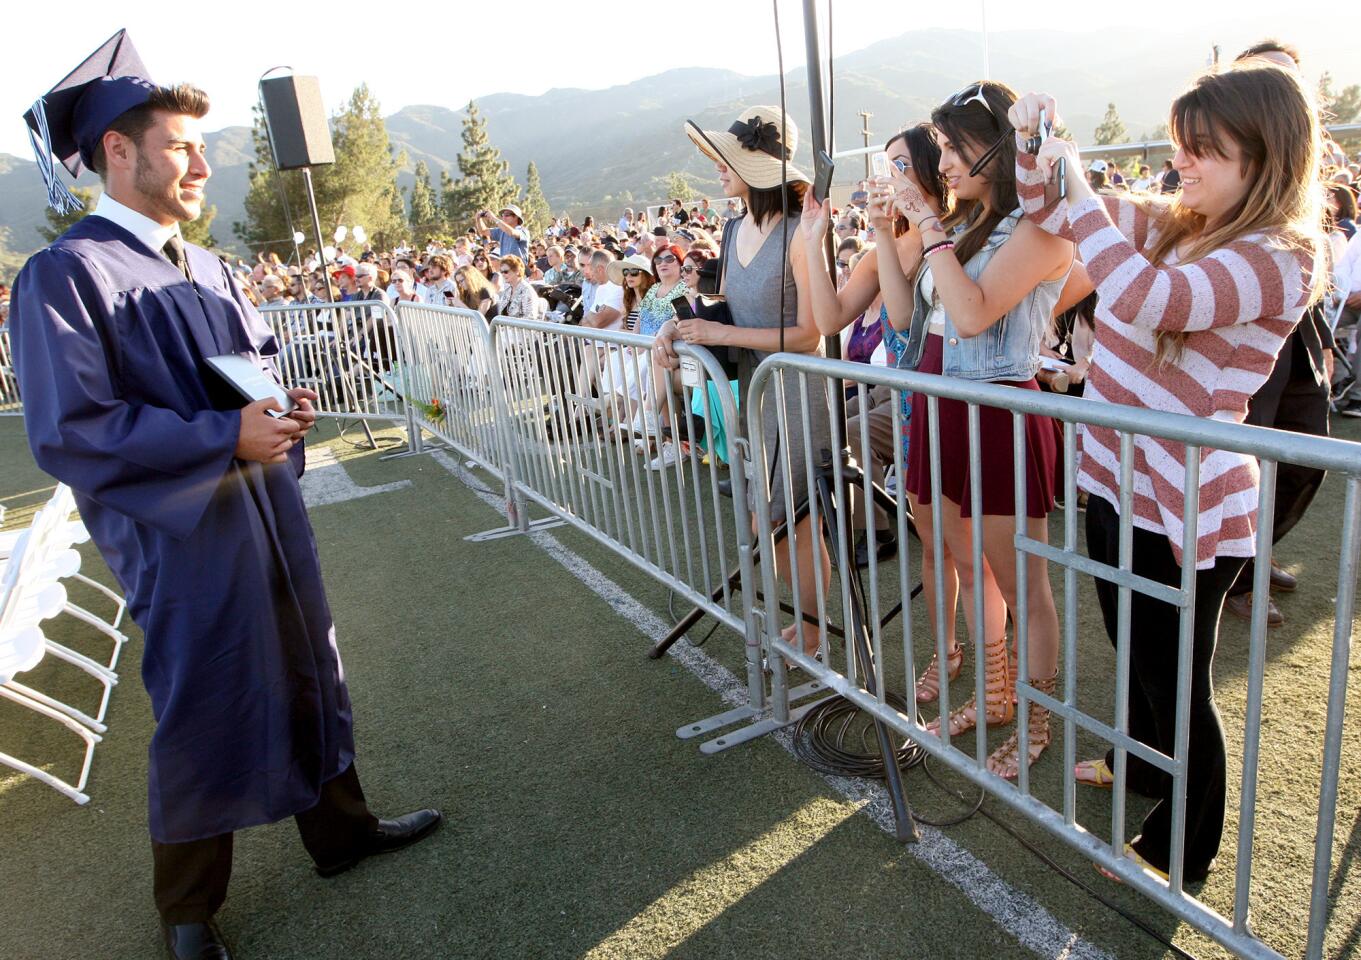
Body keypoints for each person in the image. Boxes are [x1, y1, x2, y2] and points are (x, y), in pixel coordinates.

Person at [9, 36, 439, 960]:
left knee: (307, 663)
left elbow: (248, 369)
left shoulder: (205, 266)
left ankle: (342, 834)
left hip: (267, 508)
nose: (203, 164)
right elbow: (71, 429)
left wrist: (277, 406)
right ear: (117, 153)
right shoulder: (67, 275)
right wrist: (222, 437)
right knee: (207, 699)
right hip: (182, 534)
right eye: (180, 146)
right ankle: (189, 912)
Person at [1011, 61, 1325, 882]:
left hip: (1185, 502)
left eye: (1201, 149)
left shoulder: (1283, 255)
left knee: (1174, 679)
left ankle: (1181, 849)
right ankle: (1146, 768)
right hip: (1118, 479)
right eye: (1181, 145)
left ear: (1263, 156)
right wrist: (1035, 144)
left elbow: (1153, 300)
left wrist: (1077, 186)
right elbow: (1046, 210)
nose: (1178, 162)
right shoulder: (1180, 220)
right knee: (1134, 650)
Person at [881, 82, 1072, 777]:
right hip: (943, 407)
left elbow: (970, 316)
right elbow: (909, 318)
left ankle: (1035, 722)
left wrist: (928, 223)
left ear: (993, 144)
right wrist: (908, 229)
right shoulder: (968, 226)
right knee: (968, 566)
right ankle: (994, 695)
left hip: (999, 414)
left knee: (1021, 585)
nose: (944, 161)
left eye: (954, 146)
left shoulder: (1039, 229)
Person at [663, 105, 830, 662]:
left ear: (758, 169)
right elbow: (728, 309)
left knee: (796, 520)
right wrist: (680, 325)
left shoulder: (799, 232)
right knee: (766, 516)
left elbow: (811, 332)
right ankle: (806, 624)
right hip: (754, 391)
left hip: (798, 391)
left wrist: (717, 327)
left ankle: (816, 631)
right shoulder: (735, 227)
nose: (717, 170)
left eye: (727, 160)